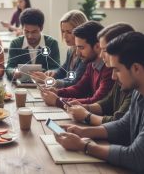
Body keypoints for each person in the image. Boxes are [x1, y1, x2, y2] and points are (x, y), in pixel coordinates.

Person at [54, 32, 144, 173]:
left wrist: (83, 146)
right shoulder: (138, 92)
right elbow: (124, 126)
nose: (113, 76)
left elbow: (135, 157)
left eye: (117, 70)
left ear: (136, 68)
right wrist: (83, 131)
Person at [68, 23, 134, 125]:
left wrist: (86, 116)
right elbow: (108, 102)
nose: (101, 54)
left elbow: (120, 124)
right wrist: (85, 107)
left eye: (105, 50)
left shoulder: (132, 83)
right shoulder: (117, 72)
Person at [40, 21, 114, 106]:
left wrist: (58, 101)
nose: (77, 53)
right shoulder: (91, 64)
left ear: (97, 46)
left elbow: (96, 101)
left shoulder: (109, 69)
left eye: (81, 48)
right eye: (77, 47)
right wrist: (57, 91)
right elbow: (79, 88)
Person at [30, 10, 88, 88]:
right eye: (63, 31)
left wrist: (47, 80)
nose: (64, 36)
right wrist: (53, 73)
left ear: (80, 31)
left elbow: (74, 82)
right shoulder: (71, 50)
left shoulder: (85, 54)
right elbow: (63, 70)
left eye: (69, 32)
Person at [6, 8, 60, 80]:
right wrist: (13, 72)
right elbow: (9, 67)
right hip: (21, 87)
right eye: (26, 31)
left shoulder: (51, 43)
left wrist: (52, 72)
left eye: (34, 32)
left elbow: (56, 67)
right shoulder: (15, 44)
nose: (30, 36)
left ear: (41, 28)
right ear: (22, 28)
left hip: (44, 85)